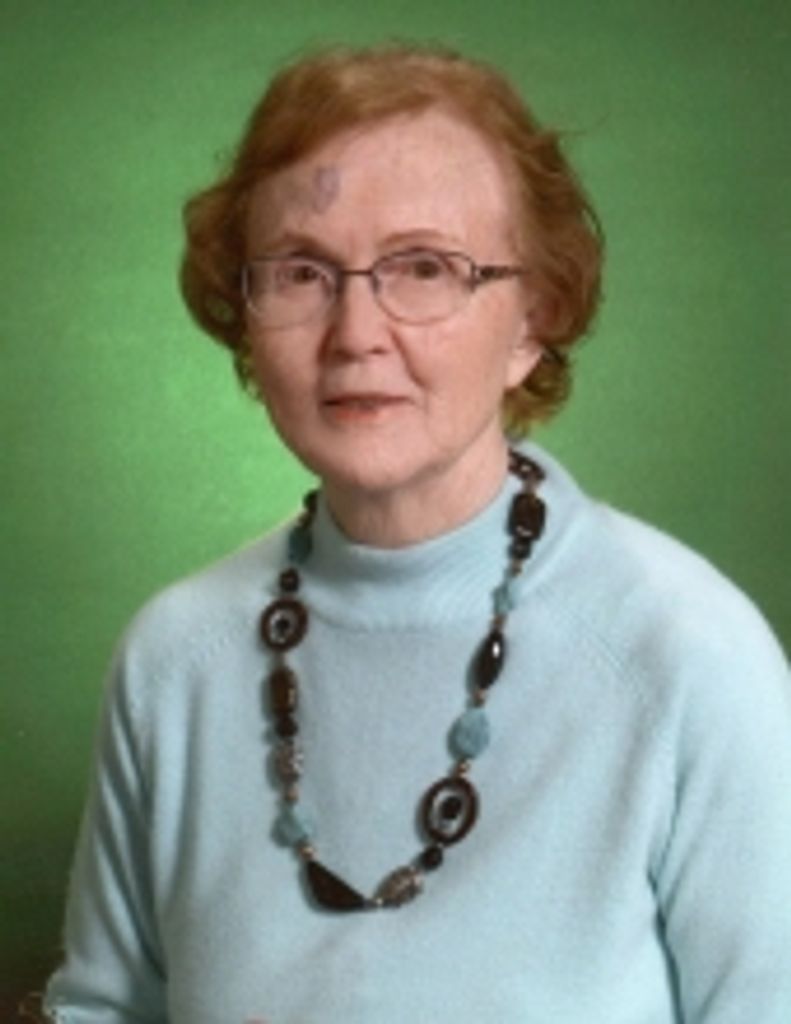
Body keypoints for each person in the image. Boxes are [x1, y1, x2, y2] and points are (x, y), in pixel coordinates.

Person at [44, 43, 790, 1024]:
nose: (356, 332)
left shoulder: (687, 656)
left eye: (424, 267)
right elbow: (103, 1009)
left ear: (531, 320)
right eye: (302, 272)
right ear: (245, 315)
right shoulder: (172, 660)